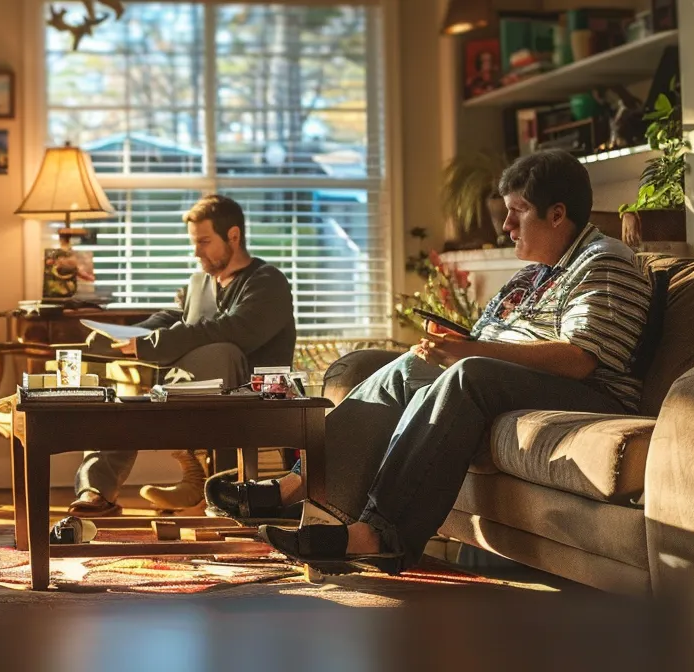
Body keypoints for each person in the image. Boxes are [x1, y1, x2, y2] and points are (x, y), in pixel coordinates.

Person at [241, 150, 651, 575]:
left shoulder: (604, 261)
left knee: (467, 374)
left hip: (589, 394)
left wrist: (471, 353)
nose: (506, 226)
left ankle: (379, 536)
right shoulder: (531, 275)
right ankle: (300, 488)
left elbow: (580, 358)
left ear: (556, 214)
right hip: (509, 380)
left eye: (517, 212)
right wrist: (458, 346)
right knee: (407, 370)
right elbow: (488, 342)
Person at [66, 194, 297, 516]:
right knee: (124, 392)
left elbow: (231, 330)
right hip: (194, 388)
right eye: (194, 242)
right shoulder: (198, 283)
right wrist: (130, 336)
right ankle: (97, 490)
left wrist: (153, 345)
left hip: (253, 392)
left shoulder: (267, 282)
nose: (196, 251)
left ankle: (221, 488)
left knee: (222, 352)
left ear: (233, 236)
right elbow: (174, 317)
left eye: (204, 241)